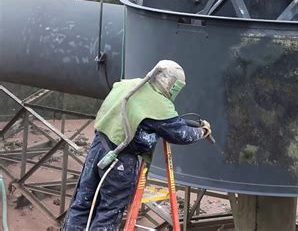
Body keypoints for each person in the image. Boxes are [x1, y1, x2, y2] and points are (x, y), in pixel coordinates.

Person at [63, 60, 211, 230]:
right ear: (171, 84)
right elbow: (181, 135)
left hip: (97, 147)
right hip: (120, 159)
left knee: (82, 203)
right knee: (109, 212)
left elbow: (142, 116)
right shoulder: (159, 103)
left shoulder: (127, 85)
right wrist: (203, 131)